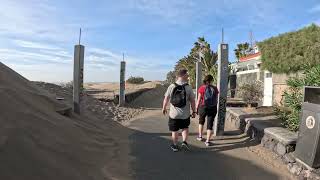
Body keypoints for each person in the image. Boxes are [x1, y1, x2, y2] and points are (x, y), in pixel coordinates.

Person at [162, 69, 196, 152]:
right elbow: (192, 100)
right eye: (187, 75)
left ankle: (175, 145)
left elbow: (166, 98)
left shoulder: (172, 86)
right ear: (183, 75)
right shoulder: (188, 87)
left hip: (174, 114)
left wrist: (164, 108)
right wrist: (194, 111)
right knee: (185, 127)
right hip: (185, 114)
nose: (188, 76)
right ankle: (184, 142)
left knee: (175, 130)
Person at [196, 75, 219, 146]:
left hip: (203, 107)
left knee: (201, 122)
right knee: (210, 124)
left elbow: (199, 99)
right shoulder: (215, 88)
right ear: (212, 80)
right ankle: (208, 141)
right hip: (212, 108)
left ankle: (200, 136)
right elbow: (216, 100)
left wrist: (196, 108)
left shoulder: (201, 88)